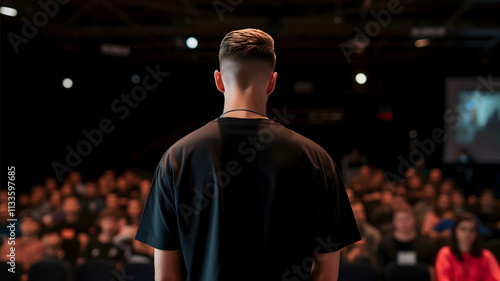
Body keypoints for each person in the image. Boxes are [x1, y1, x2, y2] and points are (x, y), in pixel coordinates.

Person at [135, 28, 361, 281]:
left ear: (218, 80)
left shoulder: (176, 158)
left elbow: (165, 275)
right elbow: (327, 274)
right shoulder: (318, 160)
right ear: (272, 82)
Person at [435, 213, 500, 281]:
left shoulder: (486, 255)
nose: (467, 234)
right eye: (463, 229)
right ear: (455, 231)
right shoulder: (445, 253)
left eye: (472, 230)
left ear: (476, 234)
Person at [378, 206, 435, 273]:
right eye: (400, 219)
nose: (403, 223)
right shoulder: (385, 244)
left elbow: (431, 270)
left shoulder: (426, 244)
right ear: (394, 221)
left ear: (414, 219)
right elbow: (381, 270)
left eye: (407, 219)